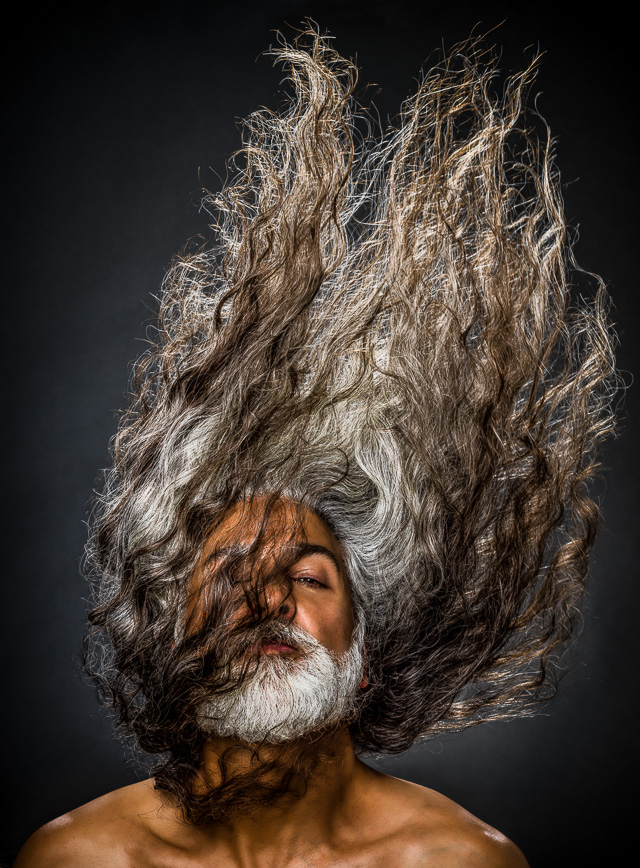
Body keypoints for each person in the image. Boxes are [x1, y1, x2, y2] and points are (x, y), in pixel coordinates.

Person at [16, 25, 617, 867]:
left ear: (366, 647)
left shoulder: (457, 861)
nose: (268, 603)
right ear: (167, 627)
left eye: (307, 576)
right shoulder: (77, 859)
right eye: (229, 574)